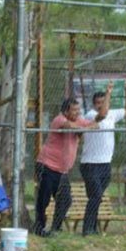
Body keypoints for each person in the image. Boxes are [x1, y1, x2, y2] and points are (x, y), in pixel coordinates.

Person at [33, 97, 98, 236]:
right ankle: (39, 228)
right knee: (43, 199)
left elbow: (95, 124)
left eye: (78, 110)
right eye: (74, 110)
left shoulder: (78, 120)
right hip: (47, 165)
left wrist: (90, 125)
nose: (77, 113)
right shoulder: (59, 119)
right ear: (66, 111)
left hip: (62, 171)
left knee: (65, 200)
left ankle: (55, 228)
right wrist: (86, 127)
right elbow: (69, 127)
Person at [79, 79, 126, 235]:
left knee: (96, 198)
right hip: (90, 164)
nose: (100, 105)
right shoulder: (91, 115)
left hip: (105, 164)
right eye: (97, 102)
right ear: (93, 104)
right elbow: (102, 114)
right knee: (95, 196)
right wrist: (109, 93)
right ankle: (88, 229)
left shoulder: (112, 114)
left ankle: (92, 228)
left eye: (102, 102)